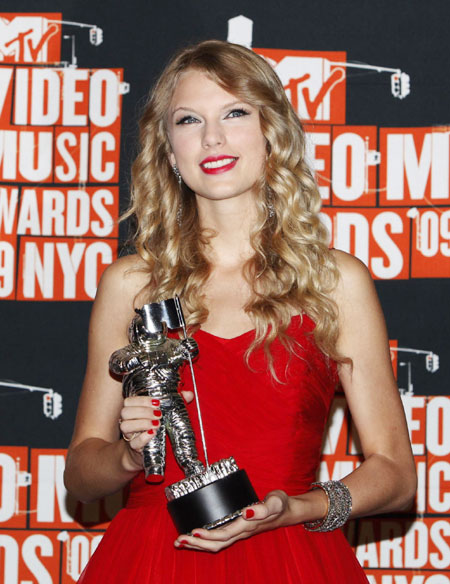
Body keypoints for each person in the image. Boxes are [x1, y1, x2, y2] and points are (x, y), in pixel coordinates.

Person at [64, 40, 416, 583]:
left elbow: (396, 474)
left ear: (270, 132)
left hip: (292, 555)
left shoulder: (334, 282)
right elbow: (82, 476)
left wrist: (297, 508)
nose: (212, 138)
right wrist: (133, 457)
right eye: (188, 120)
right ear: (168, 149)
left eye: (234, 112)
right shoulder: (131, 285)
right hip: (153, 559)